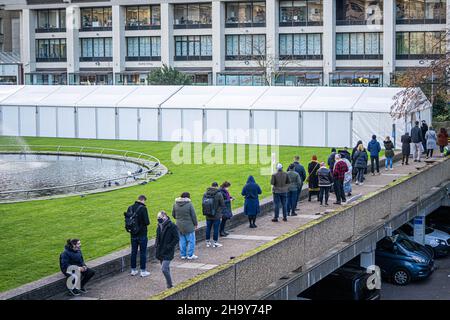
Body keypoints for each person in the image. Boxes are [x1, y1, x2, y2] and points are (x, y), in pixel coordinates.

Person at [155, 211, 179, 289]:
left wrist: (169, 246)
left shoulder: (172, 226)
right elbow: (157, 237)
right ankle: (169, 284)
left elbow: (176, 238)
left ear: (165, 216)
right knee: (166, 268)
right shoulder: (159, 226)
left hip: (168, 251)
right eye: (158, 218)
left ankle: (170, 285)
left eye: (160, 218)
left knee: (164, 269)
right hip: (160, 251)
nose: (159, 220)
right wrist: (156, 244)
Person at [127, 195, 150, 277]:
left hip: (133, 234)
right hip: (142, 234)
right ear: (143, 200)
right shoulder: (143, 208)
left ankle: (133, 270)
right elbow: (147, 222)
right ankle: (143, 271)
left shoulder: (130, 208)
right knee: (143, 252)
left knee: (133, 252)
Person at [172, 192, 198, 260]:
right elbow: (193, 215)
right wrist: (195, 224)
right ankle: (190, 255)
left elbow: (173, 215)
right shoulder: (189, 204)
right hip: (189, 225)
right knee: (191, 240)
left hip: (179, 225)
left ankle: (183, 255)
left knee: (182, 240)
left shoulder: (175, 204)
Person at [202, 182, 225, 248]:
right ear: (217, 186)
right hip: (216, 214)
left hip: (208, 214)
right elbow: (222, 204)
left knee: (208, 228)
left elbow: (203, 203)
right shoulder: (218, 194)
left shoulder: (205, 193)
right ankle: (215, 242)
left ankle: (207, 242)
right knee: (216, 228)